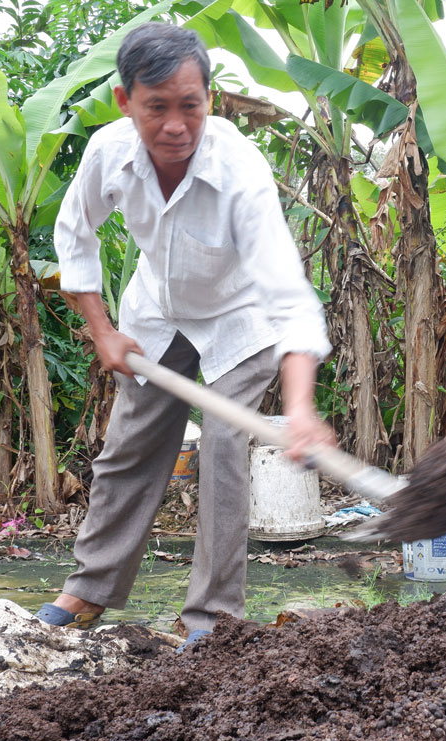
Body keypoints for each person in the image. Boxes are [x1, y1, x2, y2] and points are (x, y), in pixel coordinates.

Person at [35, 23, 333, 650]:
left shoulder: (240, 172)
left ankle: (210, 617)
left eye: (190, 106)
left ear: (211, 100)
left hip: (239, 318)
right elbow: (74, 236)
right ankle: (90, 588)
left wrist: (300, 409)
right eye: (157, 108)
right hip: (158, 311)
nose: (176, 125)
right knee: (129, 447)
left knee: (227, 446)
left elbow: (287, 294)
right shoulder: (108, 153)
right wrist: (103, 333)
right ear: (126, 101)